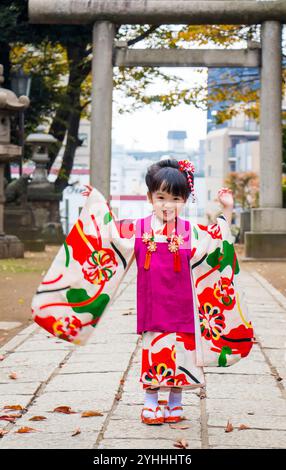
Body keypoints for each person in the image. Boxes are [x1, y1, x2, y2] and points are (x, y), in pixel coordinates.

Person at [31, 158, 255, 427]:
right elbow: (108, 233)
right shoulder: (139, 228)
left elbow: (217, 239)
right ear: (150, 197)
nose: (167, 205)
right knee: (155, 350)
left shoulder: (192, 232)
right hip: (154, 303)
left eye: (175, 198)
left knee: (183, 352)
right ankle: (150, 402)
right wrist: (96, 204)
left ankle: (175, 401)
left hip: (185, 305)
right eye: (161, 197)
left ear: (184, 200)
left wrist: (227, 209)